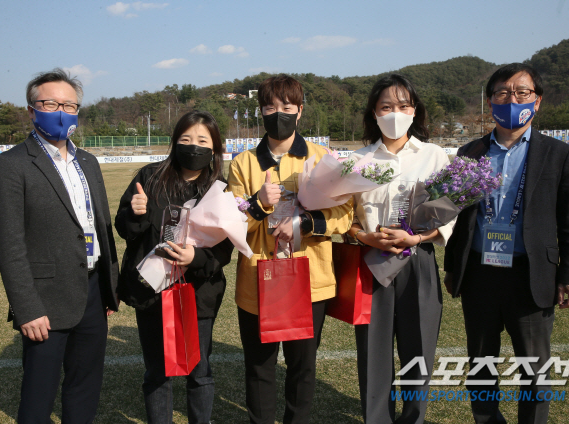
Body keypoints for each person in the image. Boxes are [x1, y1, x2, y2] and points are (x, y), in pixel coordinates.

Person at [443, 63, 569, 424]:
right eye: (503, 93)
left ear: (536, 102)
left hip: (531, 274)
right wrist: (452, 268)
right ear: (490, 101)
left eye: (522, 92)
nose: (512, 99)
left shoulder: (558, 154)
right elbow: (457, 217)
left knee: (535, 369)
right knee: (481, 362)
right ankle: (487, 419)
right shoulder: (469, 152)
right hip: (479, 273)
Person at [0, 68, 119, 422]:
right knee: (39, 393)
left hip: (92, 292)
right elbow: (9, 244)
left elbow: (98, 228)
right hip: (45, 299)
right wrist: (26, 307)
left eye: (69, 105)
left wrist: (107, 288)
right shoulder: (10, 165)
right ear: (32, 110)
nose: (61, 111)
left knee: (85, 386)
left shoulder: (88, 162)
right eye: (50, 103)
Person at [227, 74, 353, 424]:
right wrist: (257, 204)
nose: (278, 113)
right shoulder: (243, 163)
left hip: (309, 280)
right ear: (260, 112)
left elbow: (345, 213)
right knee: (259, 367)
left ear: (300, 111)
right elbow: (229, 224)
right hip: (257, 280)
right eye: (269, 107)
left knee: (302, 367)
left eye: (286, 106)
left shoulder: (323, 157)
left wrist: (307, 223)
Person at [345, 74, 455, 424]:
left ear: (415, 110)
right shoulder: (356, 160)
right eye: (386, 106)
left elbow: (452, 213)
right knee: (374, 352)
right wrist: (366, 238)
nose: (395, 112)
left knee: (418, 350)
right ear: (374, 113)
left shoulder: (435, 155)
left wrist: (418, 238)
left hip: (418, 261)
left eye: (403, 105)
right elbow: (343, 219)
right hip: (371, 264)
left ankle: (413, 419)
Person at [115, 111, 233, 424]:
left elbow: (224, 247)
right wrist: (135, 213)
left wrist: (196, 259)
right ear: (174, 142)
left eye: (202, 140)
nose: (193, 146)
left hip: (198, 292)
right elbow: (124, 228)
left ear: (214, 147)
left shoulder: (220, 188)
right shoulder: (149, 177)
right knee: (158, 371)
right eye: (186, 139)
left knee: (199, 370)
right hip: (152, 291)